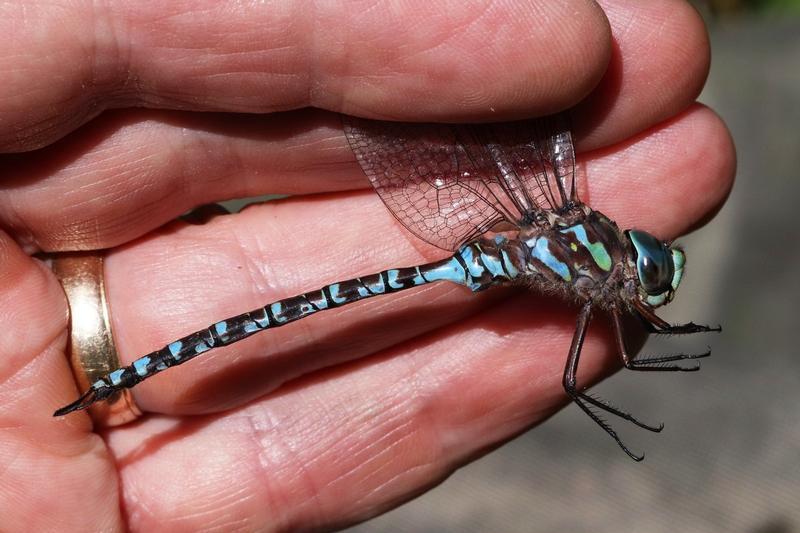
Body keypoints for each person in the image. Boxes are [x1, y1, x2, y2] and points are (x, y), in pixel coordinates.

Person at [0, 1, 734, 530]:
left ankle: (117, 372)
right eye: (650, 270)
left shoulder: (592, 264)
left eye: (651, 271)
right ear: (629, 265)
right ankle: (134, 368)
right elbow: (585, 371)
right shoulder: (596, 269)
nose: (646, 278)